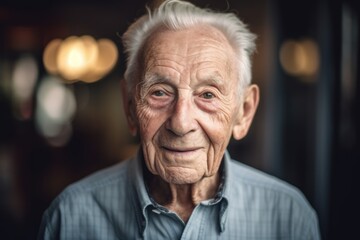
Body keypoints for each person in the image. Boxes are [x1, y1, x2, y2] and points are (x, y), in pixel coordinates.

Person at [38, 0, 321, 239]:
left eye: (207, 95)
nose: (181, 123)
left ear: (244, 112)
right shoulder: (70, 217)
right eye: (160, 93)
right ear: (129, 106)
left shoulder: (288, 217)